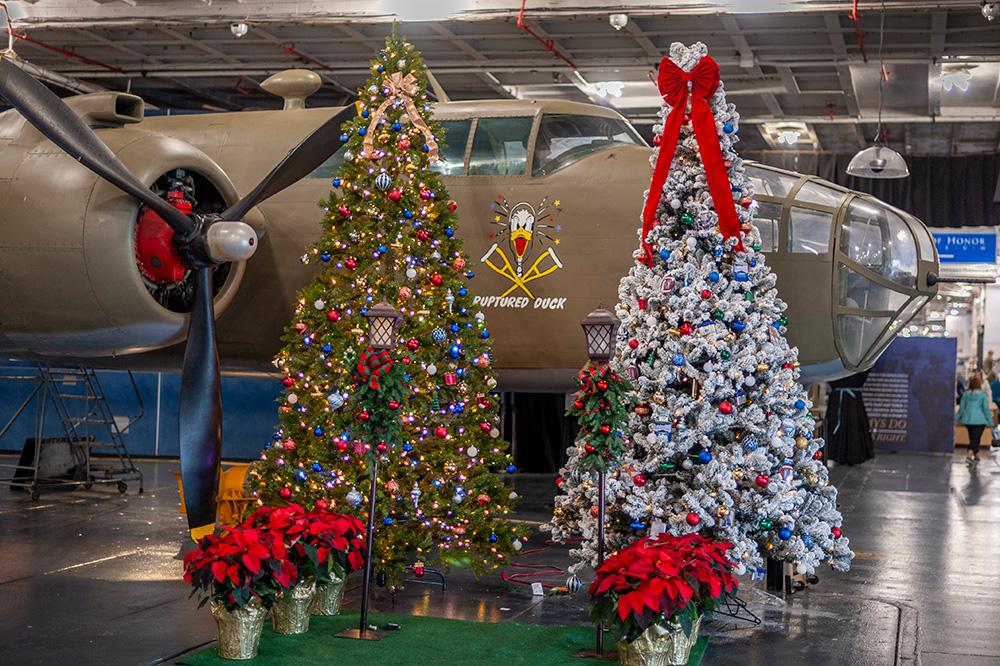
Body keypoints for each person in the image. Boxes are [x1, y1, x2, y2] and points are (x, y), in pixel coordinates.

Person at [957, 374, 993, 464]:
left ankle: (976, 455)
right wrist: (990, 421)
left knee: (973, 437)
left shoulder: (965, 395)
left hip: (968, 420)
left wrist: (956, 418)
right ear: (979, 385)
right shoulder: (983, 395)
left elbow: (962, 408)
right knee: (975, 438)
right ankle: (969, 456)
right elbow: (985, 409)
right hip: (980, 421)